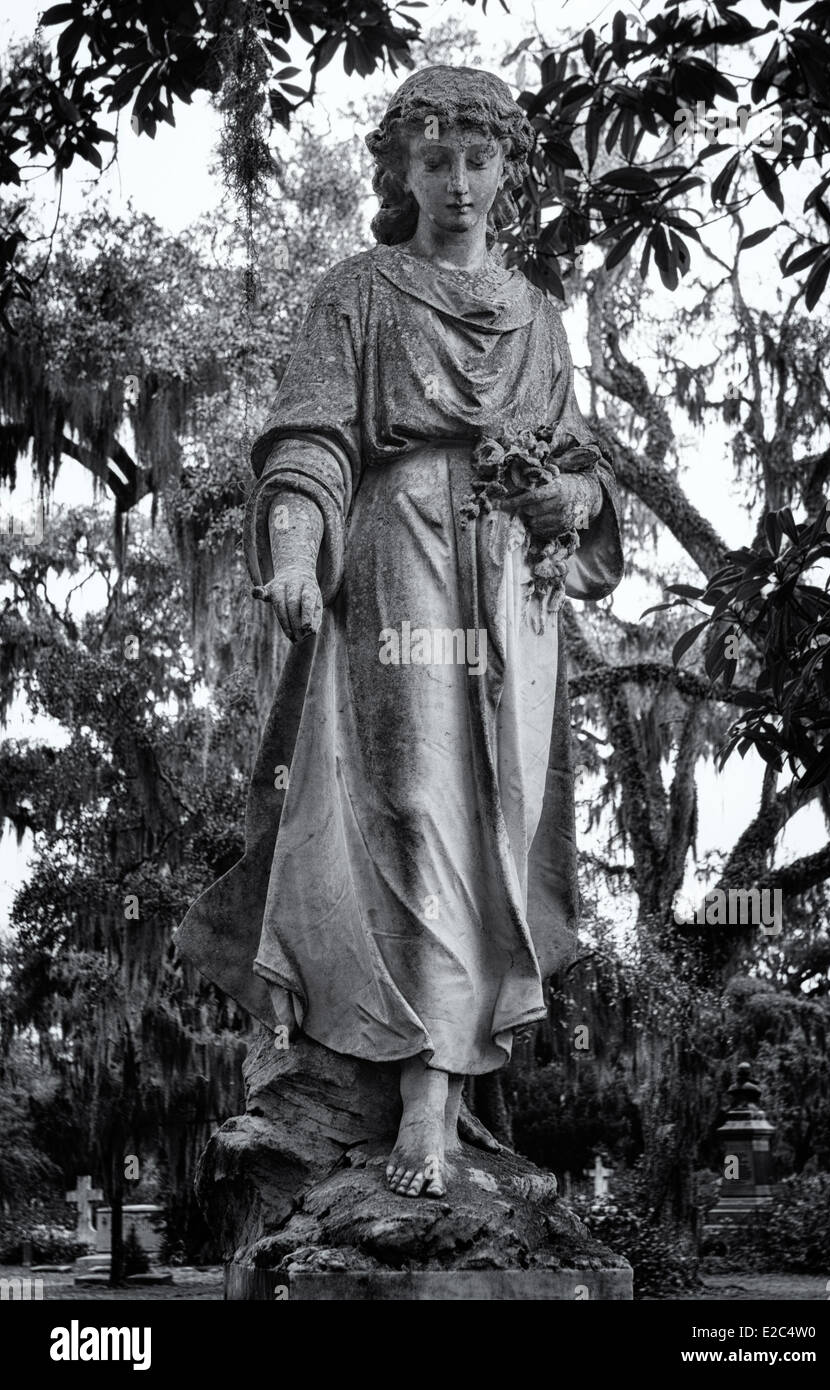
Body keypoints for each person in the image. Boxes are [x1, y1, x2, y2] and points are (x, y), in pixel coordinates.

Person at [176, 65, 623, 1200]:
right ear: (401, 172)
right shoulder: (360, 293)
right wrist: (289, 549)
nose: (461, 184)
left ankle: (450, 1090)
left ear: (506, 171)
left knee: (491, 828)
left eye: (479, 161)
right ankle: (422, 1097)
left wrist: (565, 503)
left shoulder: (536, 317)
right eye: (437, 161)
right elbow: (309, 442)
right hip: (400, 561)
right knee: (416, 805)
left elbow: (579, 473)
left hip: (511, 591)